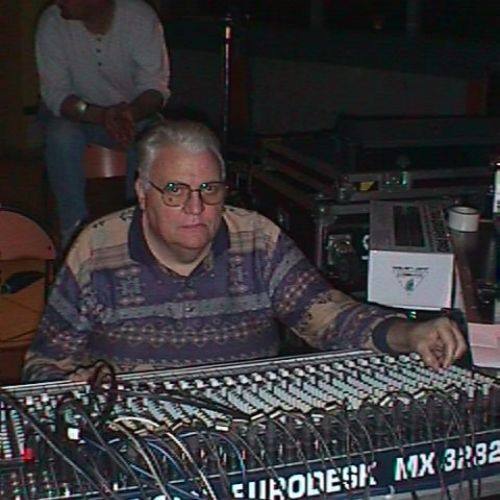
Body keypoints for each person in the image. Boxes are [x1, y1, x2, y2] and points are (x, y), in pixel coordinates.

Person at [22, 120, 467, 383]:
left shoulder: (257, 239)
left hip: (242, 434)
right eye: (175, 190)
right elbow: (42, 364)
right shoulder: (96, 249)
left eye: (209, 189)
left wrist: (408, 334)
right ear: (142, 192)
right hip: (132, 437)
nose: (195, 207)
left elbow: (328, 317)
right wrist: (71, 388)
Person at [36, 0, 170, 248]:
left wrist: (130, 114)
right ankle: (73, 232)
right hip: (78, 117)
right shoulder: (52, 22)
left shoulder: (139, 18)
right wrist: (100, 115)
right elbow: (55, 93)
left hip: (132, 117)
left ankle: (137, 228)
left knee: (152, 138)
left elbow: (155, 88)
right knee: (61, 135)